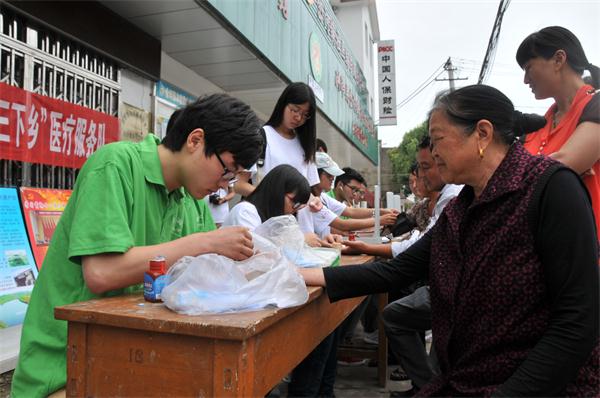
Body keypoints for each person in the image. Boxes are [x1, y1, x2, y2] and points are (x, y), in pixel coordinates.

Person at [298, 85, 599, 396]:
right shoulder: (459, 211)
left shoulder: (551, 189)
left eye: (438, 140)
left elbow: (577, 324)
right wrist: (305, 273)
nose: (433, 152)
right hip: (465, 381)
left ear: (482, 133)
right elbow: (398, 270)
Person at [11, 93, 264, 397]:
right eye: (227, 170)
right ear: (195, 140)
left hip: (131, 361)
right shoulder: (115, 165)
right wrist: (204, 242)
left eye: (234, 178)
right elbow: (102, 272)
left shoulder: (192, 202)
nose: (226, 185)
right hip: (64, 370)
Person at [516, 26, 600, 241]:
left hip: (589, 256)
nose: (525, 80)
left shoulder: (595, 105)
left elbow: (561, 165)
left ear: (558, 59)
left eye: (528, 67)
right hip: (548, 252)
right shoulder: (538, 124)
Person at [233, 82, 326, 247]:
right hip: (268, 223)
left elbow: (306, 190)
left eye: (305, 115)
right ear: (283, 104)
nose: (298, 117)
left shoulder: (305, 145)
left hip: (301, 228)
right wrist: (271, 197)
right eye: (295, 110)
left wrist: (314, 200)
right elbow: (238, 184)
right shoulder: (262, 137)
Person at [313, 152, 398, 238]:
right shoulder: (313, 202)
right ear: (314, 173)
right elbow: (342, 225)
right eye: (328, 175)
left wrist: (382, 212)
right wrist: (379, 220)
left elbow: (352, 212)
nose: (332, 178)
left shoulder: (323, 198)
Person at [222, 164, 311, 230]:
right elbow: (254, 250)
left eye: (298, 208)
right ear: (277, 191)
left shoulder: (272, 219)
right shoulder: (246, 212)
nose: (293, 210)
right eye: (294, 202)